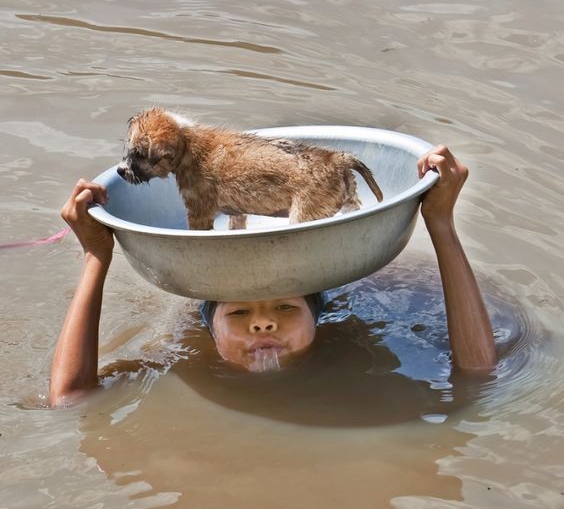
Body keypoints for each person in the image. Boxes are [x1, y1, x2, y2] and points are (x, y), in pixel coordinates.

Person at [48, 145, 497, 407]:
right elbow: (69, 398)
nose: (263, 323)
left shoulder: (357, 339)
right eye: (239, 311)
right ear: (210, 328)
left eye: (285, 307)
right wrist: (95, 257)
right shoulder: (184, 358)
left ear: (319, 315)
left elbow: (478, 373)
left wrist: (441, 223)